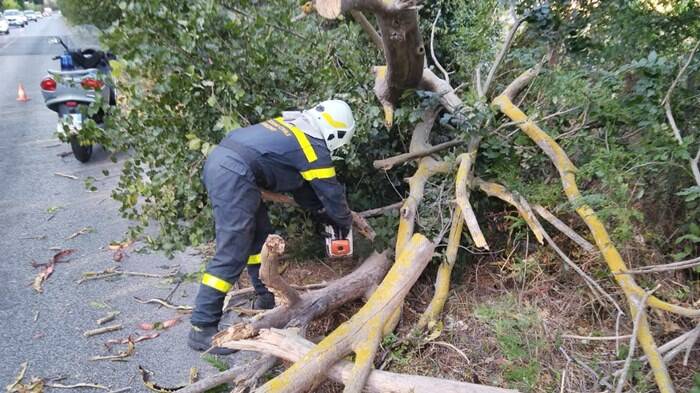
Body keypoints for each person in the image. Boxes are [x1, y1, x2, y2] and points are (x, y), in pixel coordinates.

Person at [188, 99, 356, 354]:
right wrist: (343, 222)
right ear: (336, 131)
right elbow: (330, 193)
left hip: (228, 166)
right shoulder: (312, 146)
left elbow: (302, 188)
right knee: (232, 251)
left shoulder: (293, 129)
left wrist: (322, 213)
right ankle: (202, 327)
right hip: (234, 173)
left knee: (260, 240)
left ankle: (264, 297)